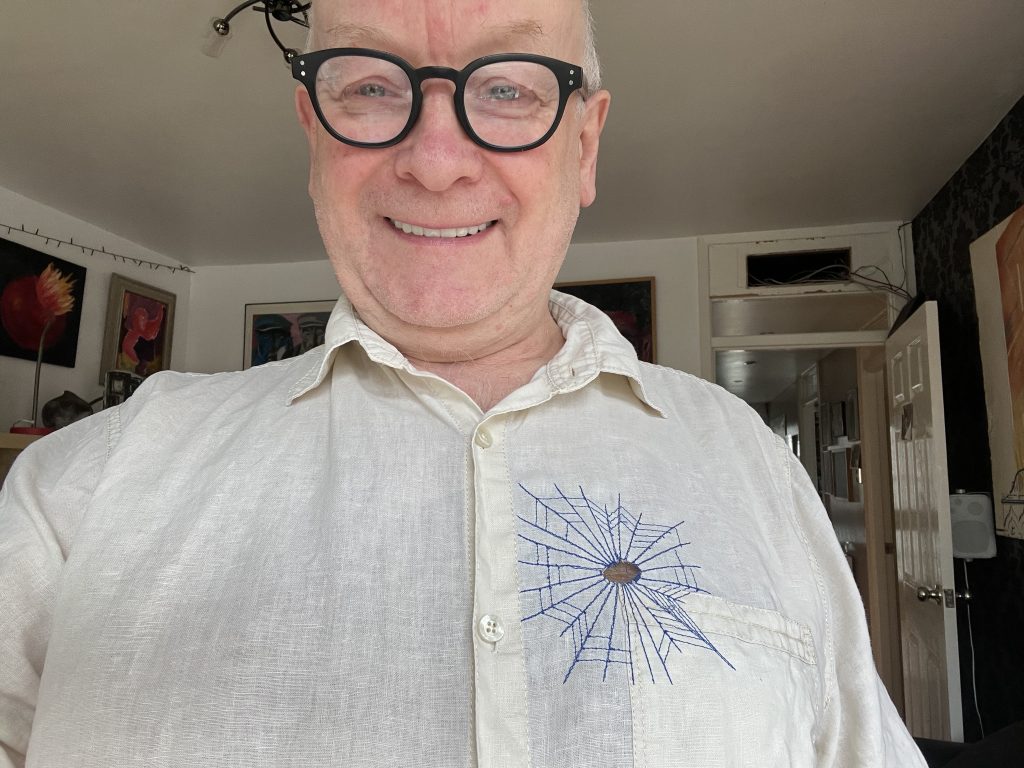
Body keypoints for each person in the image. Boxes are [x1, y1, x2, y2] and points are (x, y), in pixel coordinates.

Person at [0, 1, 926, 766]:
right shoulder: (82, 490)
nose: (437, 161)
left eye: (509, 88)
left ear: (586, 144)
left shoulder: (753, 466)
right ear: (312, 133)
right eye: (369, 85)